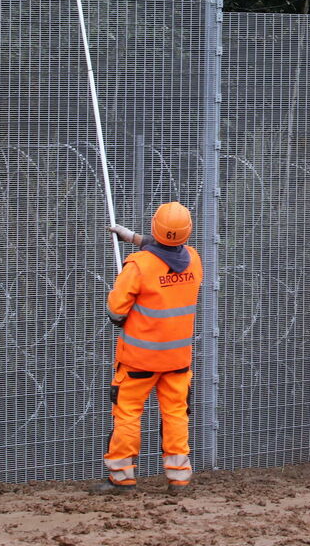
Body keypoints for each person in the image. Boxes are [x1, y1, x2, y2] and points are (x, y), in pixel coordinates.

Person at [92, 202, 203, 493]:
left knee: (128, 414)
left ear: (155, 226)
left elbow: (116, 312)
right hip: (177, 360)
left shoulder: (138, 265)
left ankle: (122, 478)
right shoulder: (194, 260)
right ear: (188, 232)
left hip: (139, 360)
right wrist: (132, 238)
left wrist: (134, 254)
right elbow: (169, 252)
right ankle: (179, 477)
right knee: (176, 415)